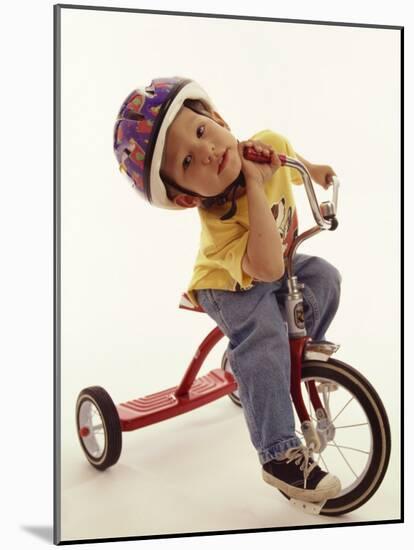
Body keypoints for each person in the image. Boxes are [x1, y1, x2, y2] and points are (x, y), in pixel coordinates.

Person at [114, 76, 342, 503]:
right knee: (265, 334)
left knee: (325, 276)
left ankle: (293, 354)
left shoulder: (266, 145)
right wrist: (255, 185)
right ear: (186, 197)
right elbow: (267, 264)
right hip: (229, 283)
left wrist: (311, 171)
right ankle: (278, 455)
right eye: (186, 163)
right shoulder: (220, 224)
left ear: (217, 119)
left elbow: (289, 156)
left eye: (201, 132)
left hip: (276, 265)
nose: (206, 151)